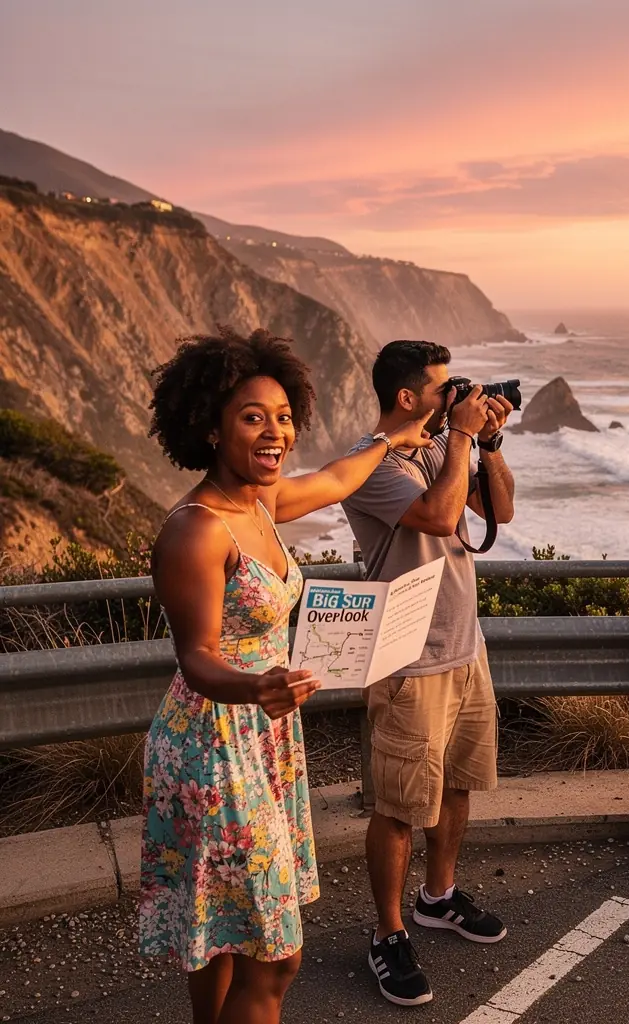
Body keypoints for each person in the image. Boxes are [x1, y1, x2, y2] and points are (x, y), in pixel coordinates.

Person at [139, 327, 431, 1024]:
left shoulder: (261, 504)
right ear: (209, 428)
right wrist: (256, 686)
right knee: (277, 956)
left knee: (225, 938)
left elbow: (335, 479)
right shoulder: (198, 529)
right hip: (215, 746)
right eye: (251, 417)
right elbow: (196, 656)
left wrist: (390, 441)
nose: (275, 433)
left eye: (283, 418)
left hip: (262, 734)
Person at [340, 339, 515, 1007]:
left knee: (460, 785)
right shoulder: (376, 463)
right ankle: (387, 934)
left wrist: (488, 443)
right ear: (406, 397)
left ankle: (438, 896)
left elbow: (499, 510)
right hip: (407, 661)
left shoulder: (445, 446)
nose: (452, 398)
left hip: (463, 646)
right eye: (442, 388)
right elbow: (441, 515)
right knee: (398, 806)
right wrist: (463, 436)